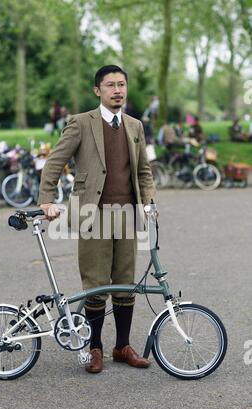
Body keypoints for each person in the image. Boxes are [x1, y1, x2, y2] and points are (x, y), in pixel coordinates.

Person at [38, 64, 156, 374]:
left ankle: (122, 346)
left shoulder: (135, 126)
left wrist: (148, 203)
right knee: (95, 284)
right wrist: (46, 200)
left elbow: (143, 171)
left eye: (121, 85)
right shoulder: (80, 123)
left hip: (128, 216)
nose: (118, 90)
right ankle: (96, 348)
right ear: (97, 91)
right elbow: (54, 162)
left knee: (125, 284)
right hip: (93, 215)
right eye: (110, 85)